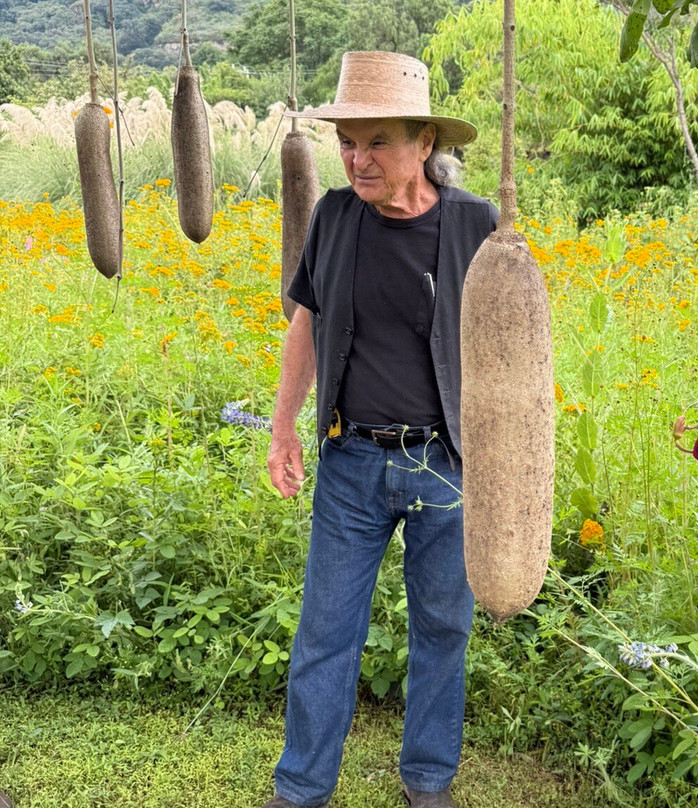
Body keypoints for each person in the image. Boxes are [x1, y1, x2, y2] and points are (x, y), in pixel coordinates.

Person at [262, 51, 498, 808]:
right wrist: (284, 428)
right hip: (352, 461)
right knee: (325, 631)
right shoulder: (333, 217)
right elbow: (306, 323)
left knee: (443, 630)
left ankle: (427, 780)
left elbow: (511, 350)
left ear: (425, 142)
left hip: (445, 466)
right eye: (348, 142)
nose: (358, 159)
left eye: (378, 142)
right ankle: (301, 789)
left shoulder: (478, 225)